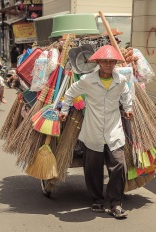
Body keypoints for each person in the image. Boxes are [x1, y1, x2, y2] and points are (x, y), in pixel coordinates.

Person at [59, 45, 134, 219]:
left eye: (111, 61)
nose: (108, 64)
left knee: (118, 166)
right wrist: (64, 111)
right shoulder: (87, 80)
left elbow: (126, 95)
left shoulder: (121, 80)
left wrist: (128, 108)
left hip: (113, 130)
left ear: (115, 63)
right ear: (98, 62)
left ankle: (116, 203)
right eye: (105, 61)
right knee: (92, 169)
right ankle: (97, 200)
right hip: (92, 130)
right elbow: (70, 93)